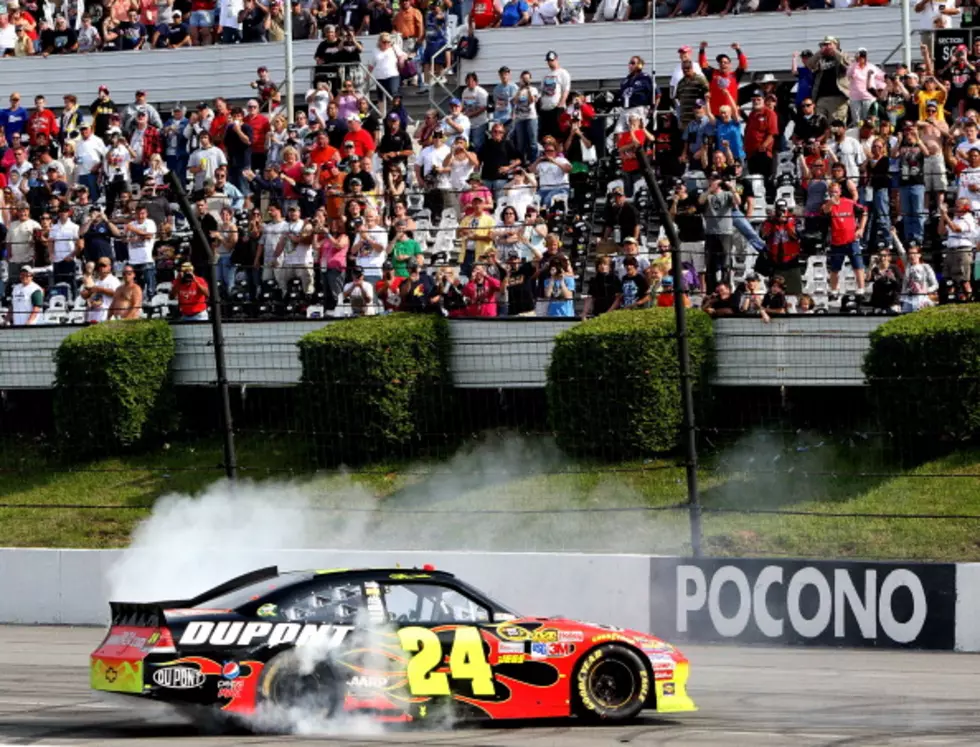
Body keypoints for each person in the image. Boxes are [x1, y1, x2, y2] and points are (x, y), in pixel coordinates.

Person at [824, 181, 867, 297]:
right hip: (837, 242)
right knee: (835, 268)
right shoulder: (828, 205)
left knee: (858, 266)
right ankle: (834, 290)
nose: (834, 194)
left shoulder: (849, 202)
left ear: (840, 191)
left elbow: (865, 212)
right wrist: (831, 203)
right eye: (832, 192)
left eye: (836, 191)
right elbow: (824, 211)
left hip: (852, 240)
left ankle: (861, 288)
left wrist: (861, 228)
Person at [80, 256, 121, 323]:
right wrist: (89, 292)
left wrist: (101, 289)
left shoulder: (113, 280)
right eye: (100, 266)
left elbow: (118, 294)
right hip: (94, 316)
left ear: (109, 267)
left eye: (104, 266)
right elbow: (84, 295)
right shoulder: (96, 281)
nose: (101, 268)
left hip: (107, 316)